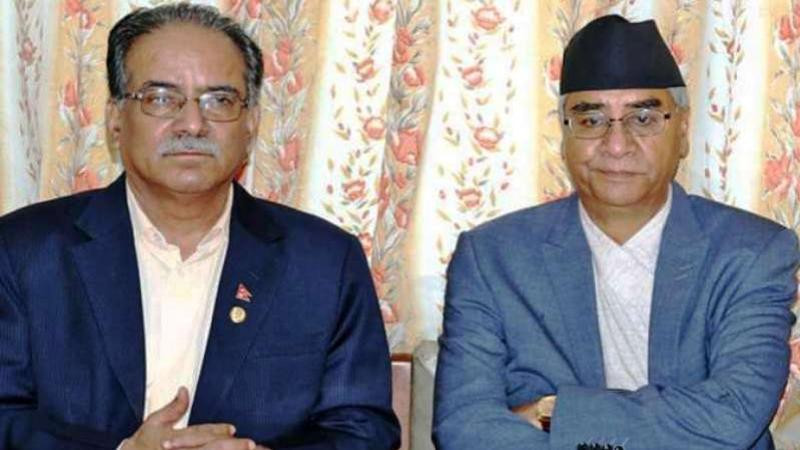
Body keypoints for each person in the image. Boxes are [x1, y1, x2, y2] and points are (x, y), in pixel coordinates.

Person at [0, 3, 399, 449]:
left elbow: (364, 432)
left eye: (219, 101)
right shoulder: (22, 253)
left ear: (251, 122)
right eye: (160, 98)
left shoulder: (324, 263)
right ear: (115, 117)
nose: (192, 123)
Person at [433, 14, 799, 450]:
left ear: (682, 131)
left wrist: (554, 413)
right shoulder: (492, 258)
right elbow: (462, 427)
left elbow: (733, 416)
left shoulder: (753, 253)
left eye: (643, 118)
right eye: (591, 121)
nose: (617, 145)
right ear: (564, 134)